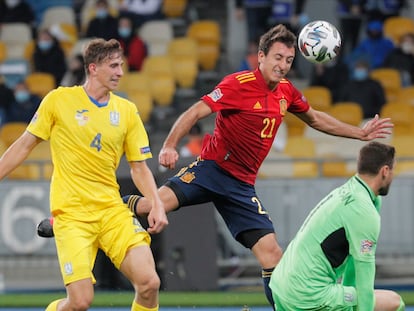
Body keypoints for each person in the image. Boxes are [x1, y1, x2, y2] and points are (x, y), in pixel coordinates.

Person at [38, 24, 393, 309]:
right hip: (209, 170)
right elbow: (196, 111)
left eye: (288, 60)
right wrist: (171, 145)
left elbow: (315, 118)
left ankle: (282, 307)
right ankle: (68, 219)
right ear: (261, 56)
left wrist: (359, 133)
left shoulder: (286, 91)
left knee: (273, 254)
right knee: (150, 206)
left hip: (240, 186)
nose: (283, 65)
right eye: (278, 58)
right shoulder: (238, 84)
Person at [4, 38, 168, 311]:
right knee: (80, 303)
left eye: (121, 65)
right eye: (113, 66)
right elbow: (24, 145)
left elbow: (139, 167)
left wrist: (157, 205)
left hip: (111, 212)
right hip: (72, 216)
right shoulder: (59, 100)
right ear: (93, 68)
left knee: (149, 283)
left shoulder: (126, 111)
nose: (120, 72)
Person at [270, 141, 405, 311]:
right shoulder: (364, 210)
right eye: (393, 170)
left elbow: (352, 264)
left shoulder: (350, 191)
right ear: (385, 171)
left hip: (281, 289)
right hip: (308, 296)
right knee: (394, 302)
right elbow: (364, 277)